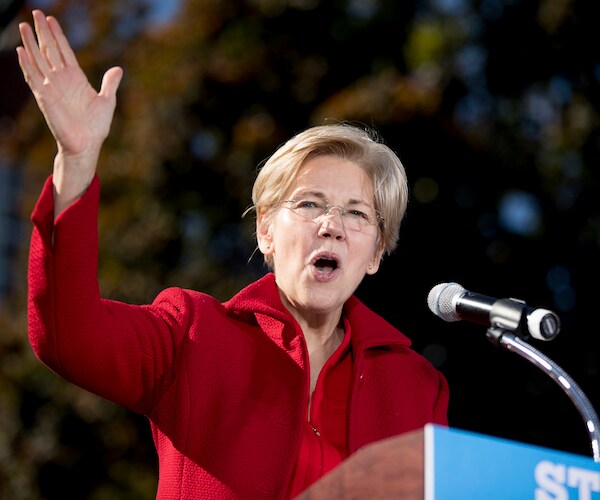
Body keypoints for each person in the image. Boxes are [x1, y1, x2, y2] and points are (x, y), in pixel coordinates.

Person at [18, 9, 449, 500]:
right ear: (265, 230)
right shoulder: (192, 335)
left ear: (376, 252)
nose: (331, 225)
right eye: (310, 204)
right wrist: (76, 162)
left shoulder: (417, 386)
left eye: (356, 213)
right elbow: (69, 336)